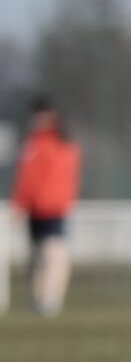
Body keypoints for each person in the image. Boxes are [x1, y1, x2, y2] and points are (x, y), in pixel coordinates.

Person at [11, 97, 81, 317]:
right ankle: (41, 298)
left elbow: (68, 177)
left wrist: (67, 199)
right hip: (36, 208)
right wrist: (20, 203)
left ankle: (51, 298)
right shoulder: (33, 144)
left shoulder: (63, 143)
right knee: (38, 256)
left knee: (54, 252)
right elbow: (26, 178)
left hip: (55, 207)